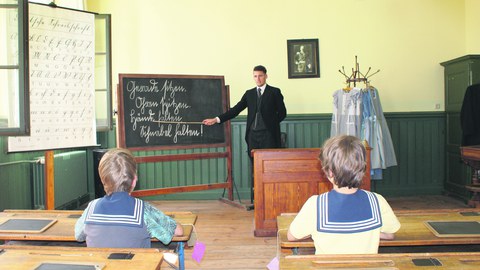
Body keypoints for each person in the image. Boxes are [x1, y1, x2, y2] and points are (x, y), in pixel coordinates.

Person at [287, 135, 400, 254]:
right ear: (362, 169)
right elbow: (389, 235)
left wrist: (313, 231)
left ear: (329, 172)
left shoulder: (316, 204)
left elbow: (292, 236)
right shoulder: (377, 201)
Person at [75, 148, 183, 248]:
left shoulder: (91, 208)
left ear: (103, 181)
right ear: (134, 180)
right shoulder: (143, 210)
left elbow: (78, 235)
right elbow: (178, 232)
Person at [202, 65, 287, 158]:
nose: (258, 79)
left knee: (269, 165)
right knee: (254, 166)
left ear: (266, 76)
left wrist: (271, 124)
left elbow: (282, 113)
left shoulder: (274, 92)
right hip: (252, 136)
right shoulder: (249, 94)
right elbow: (235, 110)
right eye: (255, 76)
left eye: (260, 76)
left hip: (269, 136)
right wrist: (216, 119)